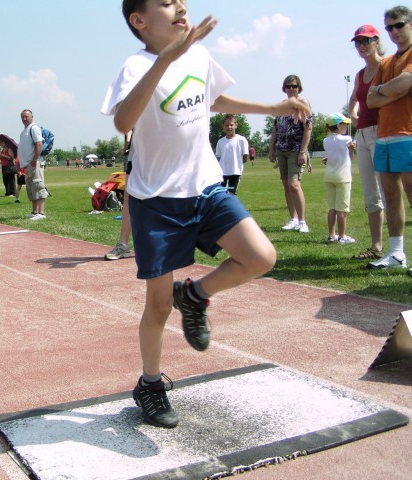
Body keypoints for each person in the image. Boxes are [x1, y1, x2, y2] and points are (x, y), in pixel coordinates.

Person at [102, 0, 310, 428]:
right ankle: (150, 384)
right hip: (156, 200)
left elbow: (213, 99)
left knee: (260, 257)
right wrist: (165, 60)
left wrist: (271, 109)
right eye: (165, 2)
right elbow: (124, 121)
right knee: (157, 307)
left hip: (205, 186)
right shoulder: (135, 66)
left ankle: (193, 296)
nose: (179, 6)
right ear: (139, 21)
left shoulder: (199, 54)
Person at [366, 6, 412, 276]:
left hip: (407, 133)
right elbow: (371, 100)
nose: (394, 31)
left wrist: (388, 90)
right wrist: (392, 90)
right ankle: (396, 253)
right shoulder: (386, 62)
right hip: (384, 135)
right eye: (389, 27)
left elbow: (405, 82)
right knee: (391, 196)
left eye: (399, 25)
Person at [349, 24, 386, 261]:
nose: (362, 46)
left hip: (383, 133)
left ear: (376, 41)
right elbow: (353, 99)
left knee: (388, 192)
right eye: (358, 42)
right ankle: (376, 246)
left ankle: (396, 250)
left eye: (366, 41)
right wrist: (353, 114)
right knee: (371, 194)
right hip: (362, 134)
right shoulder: (360, 74)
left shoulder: (387, 66)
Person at [269, 74, 313, 233]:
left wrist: (303, 151)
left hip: (296, 150)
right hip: (282, 149)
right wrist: (271, 148)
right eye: (288, 86)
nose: (291, 89)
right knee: (286, 185)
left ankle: (302, 221)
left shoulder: (303, 103)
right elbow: (276, 128)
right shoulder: (282, 105)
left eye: (294, 86)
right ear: (284, 88)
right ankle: (293, 219)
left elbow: (308, 128)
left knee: (294, 184)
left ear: (299, 87)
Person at [323, 113, 357, 244]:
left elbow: (332, 155)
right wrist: (352, 149)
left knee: (332, 208)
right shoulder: (346, 139)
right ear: (338, 125)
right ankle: (342, 237)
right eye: (345, 124)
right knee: (342, 209)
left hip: (329, 176)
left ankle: (331, 235)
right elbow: (351, 157)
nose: (347, 126)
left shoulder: (325, 140)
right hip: (343, 177)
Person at [105, 131, 133, 260]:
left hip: (158, 157)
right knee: (128, 197)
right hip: (136, 157)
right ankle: (123, 245)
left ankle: (161, 244)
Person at [19, 109, 49, 220]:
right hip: (28, 165)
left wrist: (34, 160)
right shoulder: (24, 131)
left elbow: (39, 144)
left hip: (34, 163)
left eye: (26, 116)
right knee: (31, 189)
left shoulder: (34, 128)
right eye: (22, 117)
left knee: (38, 186)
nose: (24, 119)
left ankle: (41, 213)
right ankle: (35, 211)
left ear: (32, 117)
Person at [215, 114, 249, 195]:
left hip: (235, 172)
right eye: (227, 125)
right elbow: (218, 157)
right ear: (223, 126)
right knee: (220, 194)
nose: (229, 127)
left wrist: (238, 164)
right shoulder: (220, 141)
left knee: (231, 194)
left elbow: (245, 157)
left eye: (231, 125)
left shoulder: (241, 140)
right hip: (222, 173)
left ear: (236, 125)